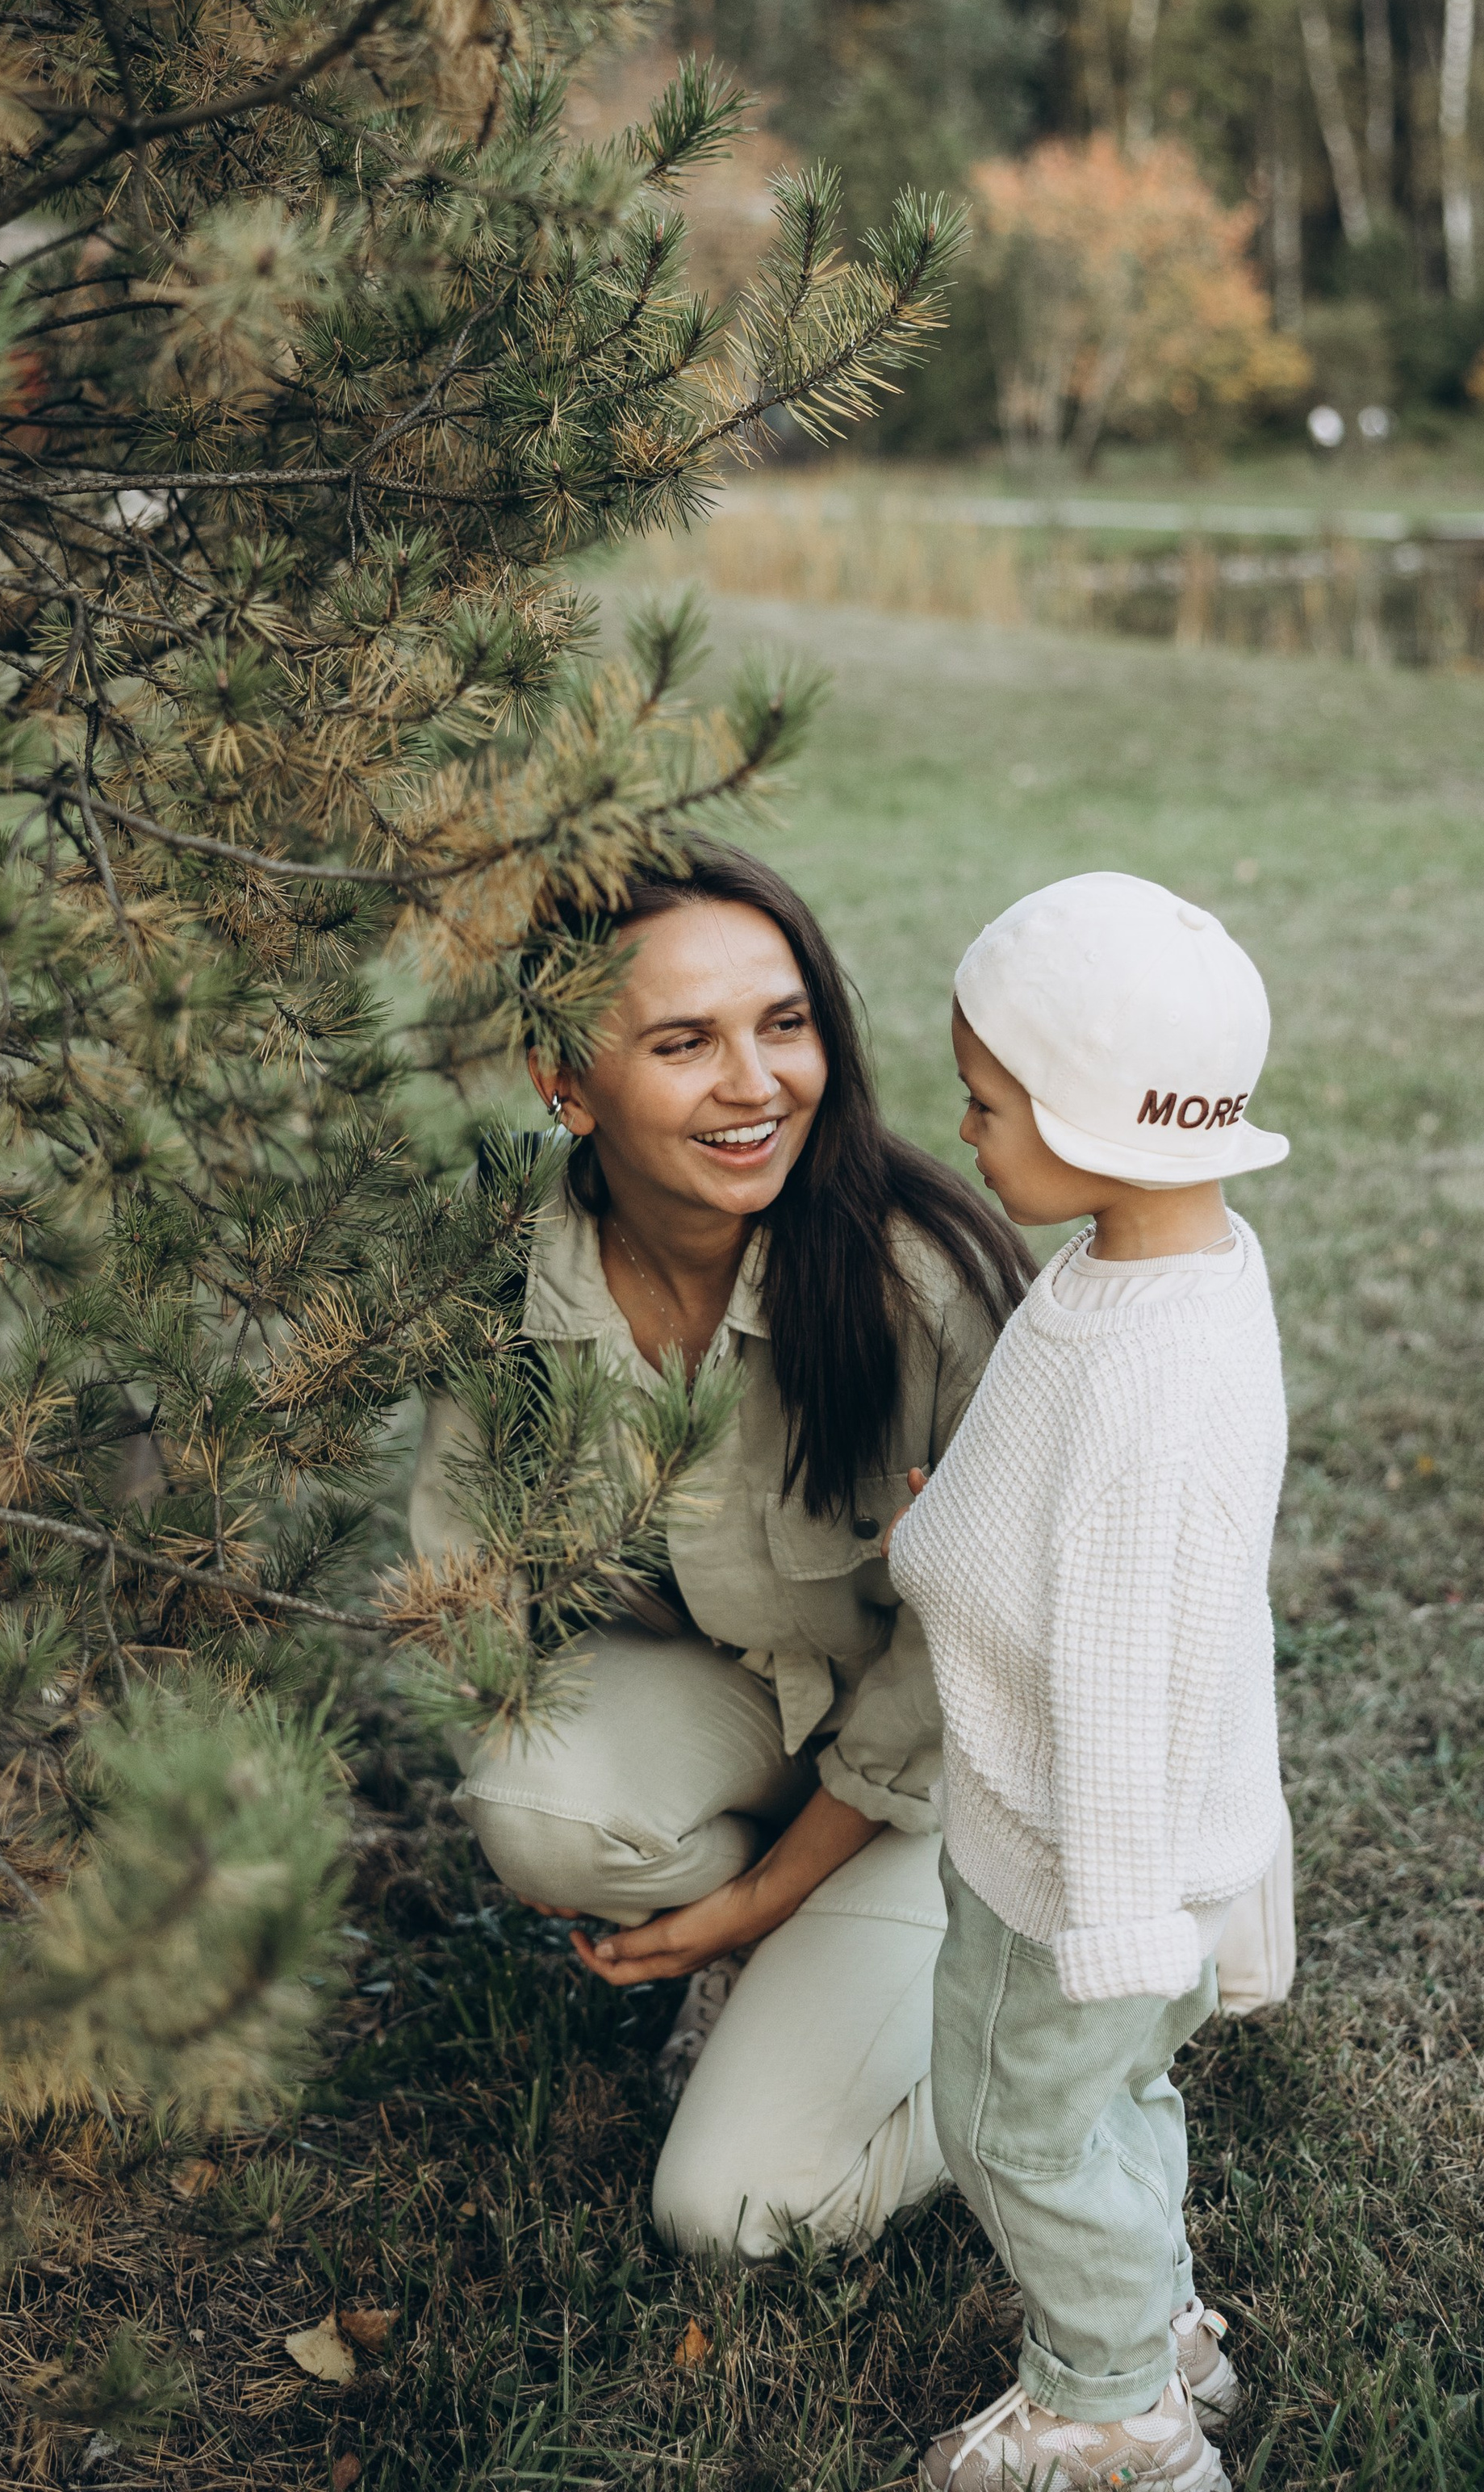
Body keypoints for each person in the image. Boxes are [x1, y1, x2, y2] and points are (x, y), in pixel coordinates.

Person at [408, 839, 1035, 2257]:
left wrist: (756, 1900)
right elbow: (463, 1588)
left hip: (964, 1781)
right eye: (685, 1042)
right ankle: (788, 1950)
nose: (756, 1085)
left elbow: (956, 1682)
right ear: (563, 1084)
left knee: (730, 2214)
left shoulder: (928, 1285)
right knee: (539, 1804)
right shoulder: (498, 1266)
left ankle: (1081, 2019)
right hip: (754, 1698)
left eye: (785, 1022)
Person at [888, 872, 1294, 2491]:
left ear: (1094, 1113)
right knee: (1113, 2101)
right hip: (1132, 1862)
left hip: (1071, 1870)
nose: (966, 1131)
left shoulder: (1144, 1381)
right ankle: (1164, 2314)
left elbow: (1127, 1660)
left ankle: (1112, 2409)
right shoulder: (1175, 1269)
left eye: (986, 1102)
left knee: (1016, 2124)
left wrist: (1110, 1926)